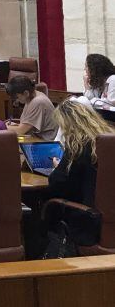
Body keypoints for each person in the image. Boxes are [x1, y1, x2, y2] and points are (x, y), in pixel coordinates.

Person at [45, 98, 111, 245]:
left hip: (88, 223)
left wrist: (58, 168)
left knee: (42, 207)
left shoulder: (78, 146)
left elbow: (57, 183)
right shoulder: (108, 141)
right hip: (107, 220)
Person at [6, 76, 58, 140]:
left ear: (26, 93)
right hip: (36, 137)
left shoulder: (37, 102)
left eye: (16, 97)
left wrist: (3, 127)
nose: (16, 101)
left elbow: (20, 131)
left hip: (45, 142)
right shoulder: (32, 96)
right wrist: (12, 126)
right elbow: (25, 125)